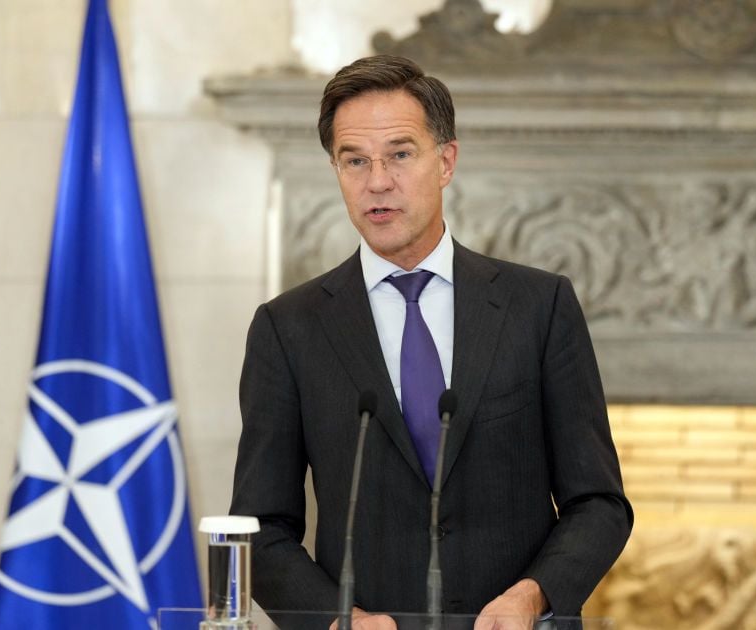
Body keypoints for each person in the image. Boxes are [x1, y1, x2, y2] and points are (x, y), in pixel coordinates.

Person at [229, 55, 632, 629]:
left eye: (400, 154)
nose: (377, 182)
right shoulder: (288, 327)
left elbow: (598, 503)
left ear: (445, 161)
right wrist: (335, 619)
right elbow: (260, 525)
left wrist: (533, 596)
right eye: (355, 160)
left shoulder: (538, 306)